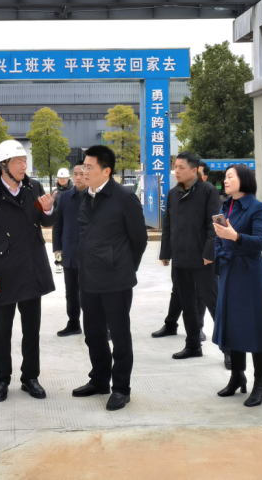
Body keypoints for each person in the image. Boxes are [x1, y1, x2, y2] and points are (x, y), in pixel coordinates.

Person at [0, 140, 57, 402]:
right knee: (2, 331)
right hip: (3, 273)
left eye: (25, 161)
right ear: (4, 165)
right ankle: (1, 379)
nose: (24, 166)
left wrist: (48, 209)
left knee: (32, 330)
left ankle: (30, 378)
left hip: (31, 268)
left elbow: (46, 222)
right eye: (18, 161)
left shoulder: (34, 188)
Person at [72, 146, 148, 411]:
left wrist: (125, 267)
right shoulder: (86, 196)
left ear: (106, 171)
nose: (83, 171)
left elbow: (139, 239)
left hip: (116, 281)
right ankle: (99, 380)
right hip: (88, 278)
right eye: (83, 166)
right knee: (93, 335)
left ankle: (121, 388)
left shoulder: (124, 198)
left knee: (119, 336)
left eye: (89, 167)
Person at [212, 165, 262, 407]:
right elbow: (219, 238)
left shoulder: (257, 207)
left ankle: (261, 382)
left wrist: (235, 237)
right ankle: (237, 376)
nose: (226, 180)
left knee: (256, 325)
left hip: (250, 272)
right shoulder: (226, 205)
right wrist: (220, 252)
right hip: (229, 270)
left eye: (230, 176)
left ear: (245, 179)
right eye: (225, 177)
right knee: (232, 324)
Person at [159, 152, 221, 360]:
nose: (176, 171)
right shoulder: (172, 194)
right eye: (175, 167)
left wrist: (210, 252)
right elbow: (168, 224)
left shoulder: (209, 191)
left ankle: (230, 351)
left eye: (181, 167)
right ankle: (193, 345)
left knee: (215, 305)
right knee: (188, 306)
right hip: (180, 258)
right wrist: (165, 251)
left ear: (194, 170)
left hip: (204, 260)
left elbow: (216, 224)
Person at [52, 162, 87, 337]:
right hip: (69, 252)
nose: (78, 177)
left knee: (93, 292)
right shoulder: (65, 198)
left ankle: (102, 326)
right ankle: (73, 323)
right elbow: (58, 225)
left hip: (90, 255)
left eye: (82, 174)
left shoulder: (95, 196)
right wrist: (57, 248)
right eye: (76, 174)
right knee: (71, 292)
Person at [53, 168, 73, 274]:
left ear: (68, 178)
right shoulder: (54, 192)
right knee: (57, 242)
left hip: (69, 221)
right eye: (60, 178)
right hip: (58, 221)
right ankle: (58, 263)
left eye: (64, 178)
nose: (62, 180)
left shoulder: (73, 191)